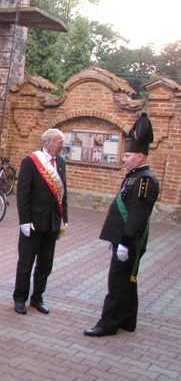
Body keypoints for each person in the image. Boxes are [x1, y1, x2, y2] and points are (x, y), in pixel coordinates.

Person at [84, 113, 159, 337]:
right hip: (123, 238)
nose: (124, 159)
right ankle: (127, 320)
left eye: (127, 155)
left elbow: (137, 215)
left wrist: (125, 243)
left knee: (117, 282)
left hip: (130, 241)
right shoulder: (134, 175)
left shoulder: (144, 180)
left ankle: (107, 324)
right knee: (127, 281)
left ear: (139, 156)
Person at [13, 128, 67, 315]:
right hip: (34, 221)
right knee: (26, 263)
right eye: (60, 143)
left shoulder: (60, 162)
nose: (62, 146)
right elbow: (23, 193)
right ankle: (20, 298)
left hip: (52, 221)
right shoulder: (31, 161)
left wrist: (64, 218)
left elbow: (63, 193)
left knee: (45, 263)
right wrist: (25, 221)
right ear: (48, 142)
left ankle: (37, 298)